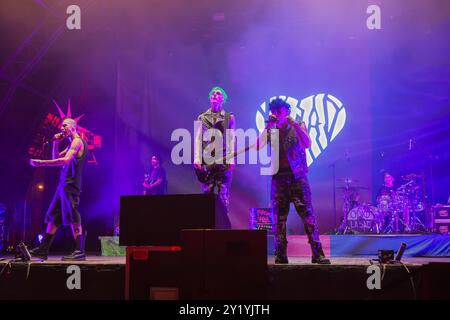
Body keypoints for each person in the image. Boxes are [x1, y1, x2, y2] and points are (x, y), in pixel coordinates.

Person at [257, 98, 330, 264]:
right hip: (278, 179)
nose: (276, 114)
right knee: (279, 219)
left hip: (297, 178)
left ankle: (317, 254)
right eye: (274, 111)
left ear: (286, 111)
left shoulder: (298, 125)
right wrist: (266, 128)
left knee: (308, 216)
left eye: (279, 111)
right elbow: (258, 145)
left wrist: (296, 125)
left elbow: (307, 143)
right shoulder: (271, 129)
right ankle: (280, 254)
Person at [29, 117, 88, 261]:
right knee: (53, 217)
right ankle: (43, 250)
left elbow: (64, 160)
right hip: (63, 186)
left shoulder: (77, 142)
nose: (62, 128)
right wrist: (55, 143)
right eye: (61, 126)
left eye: (64, 126)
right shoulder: (70, 145)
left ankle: (80, 251)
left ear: (73, 127)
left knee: (73, 215)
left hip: (71, 185)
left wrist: (41, 163)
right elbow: (57, 157)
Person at [194, 86, 235, 226]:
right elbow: (198, 138)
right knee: (207, 194)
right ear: (210, 98)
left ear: (223, 98)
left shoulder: (229, 117)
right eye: (213, 93)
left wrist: (231, 158)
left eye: (218, 93)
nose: (215, 95)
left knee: (223, 194)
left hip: (223, 159)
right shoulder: (202, 117)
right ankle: (208, 226)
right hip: (207, 160)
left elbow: (231, 138)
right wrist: (197, 157)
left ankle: (224, 227)